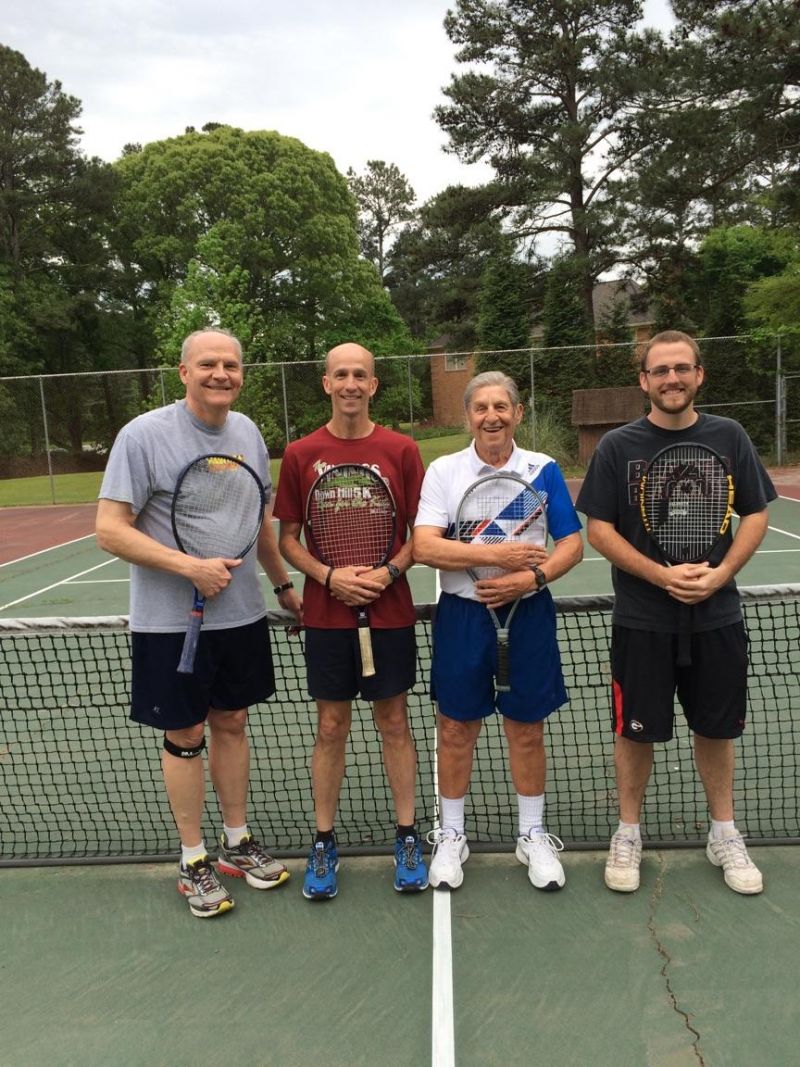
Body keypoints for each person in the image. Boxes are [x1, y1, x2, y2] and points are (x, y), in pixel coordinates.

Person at [96, 328, 302, 919]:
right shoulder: (143, 436)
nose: (221, 373)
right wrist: (190, 567)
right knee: (186, 734)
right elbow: (109, 529)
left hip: (239, 617)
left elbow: (258, 523)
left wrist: (284, 587)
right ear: (184, 372)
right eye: (208, 363)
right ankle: (193, 859)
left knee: (232, 721)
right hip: (169, 624)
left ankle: (237, 840)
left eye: (231, 364)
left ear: (241, 374)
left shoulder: (248, 433)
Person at [576, 330, 776, 895]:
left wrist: (720, 573)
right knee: (634, 732)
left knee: (716, 729)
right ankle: (628, 833)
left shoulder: (729, 436)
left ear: (699, 375)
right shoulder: (617, 446)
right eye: (660, 370)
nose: (672, 379)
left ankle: (724, 833)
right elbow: (599, 530)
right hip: (642, 620)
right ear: (644, 380)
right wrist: (661, 575)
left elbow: (755, 514)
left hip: (717, 617)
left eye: (682, 368)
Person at [413, 371, 583, 891]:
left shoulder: (543, 470)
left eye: (501, 406)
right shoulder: (444, 471)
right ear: (468, 416)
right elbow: (425, 546)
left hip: (528, 615)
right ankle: (452, 835)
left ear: (518, 413)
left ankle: (532, 834)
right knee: (454, 728)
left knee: (527, 728)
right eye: (481, 407)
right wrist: (499, 556)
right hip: (463, 618)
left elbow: (571, 544)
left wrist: (530, 578)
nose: (492, 416)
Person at [273, 342, 428, 899]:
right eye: (341, 374)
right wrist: (328, 576)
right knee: (330, 727)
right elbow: (288, 539)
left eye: (361, 374)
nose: (351, 384)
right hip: (326, 618)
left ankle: (407, 836)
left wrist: (387, 572)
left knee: (394, 722)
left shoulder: (402, 450)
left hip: (390, 613)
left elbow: (422, 535)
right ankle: (323, 841)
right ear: (326, 383)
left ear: (373, 384)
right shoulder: (300, 454)